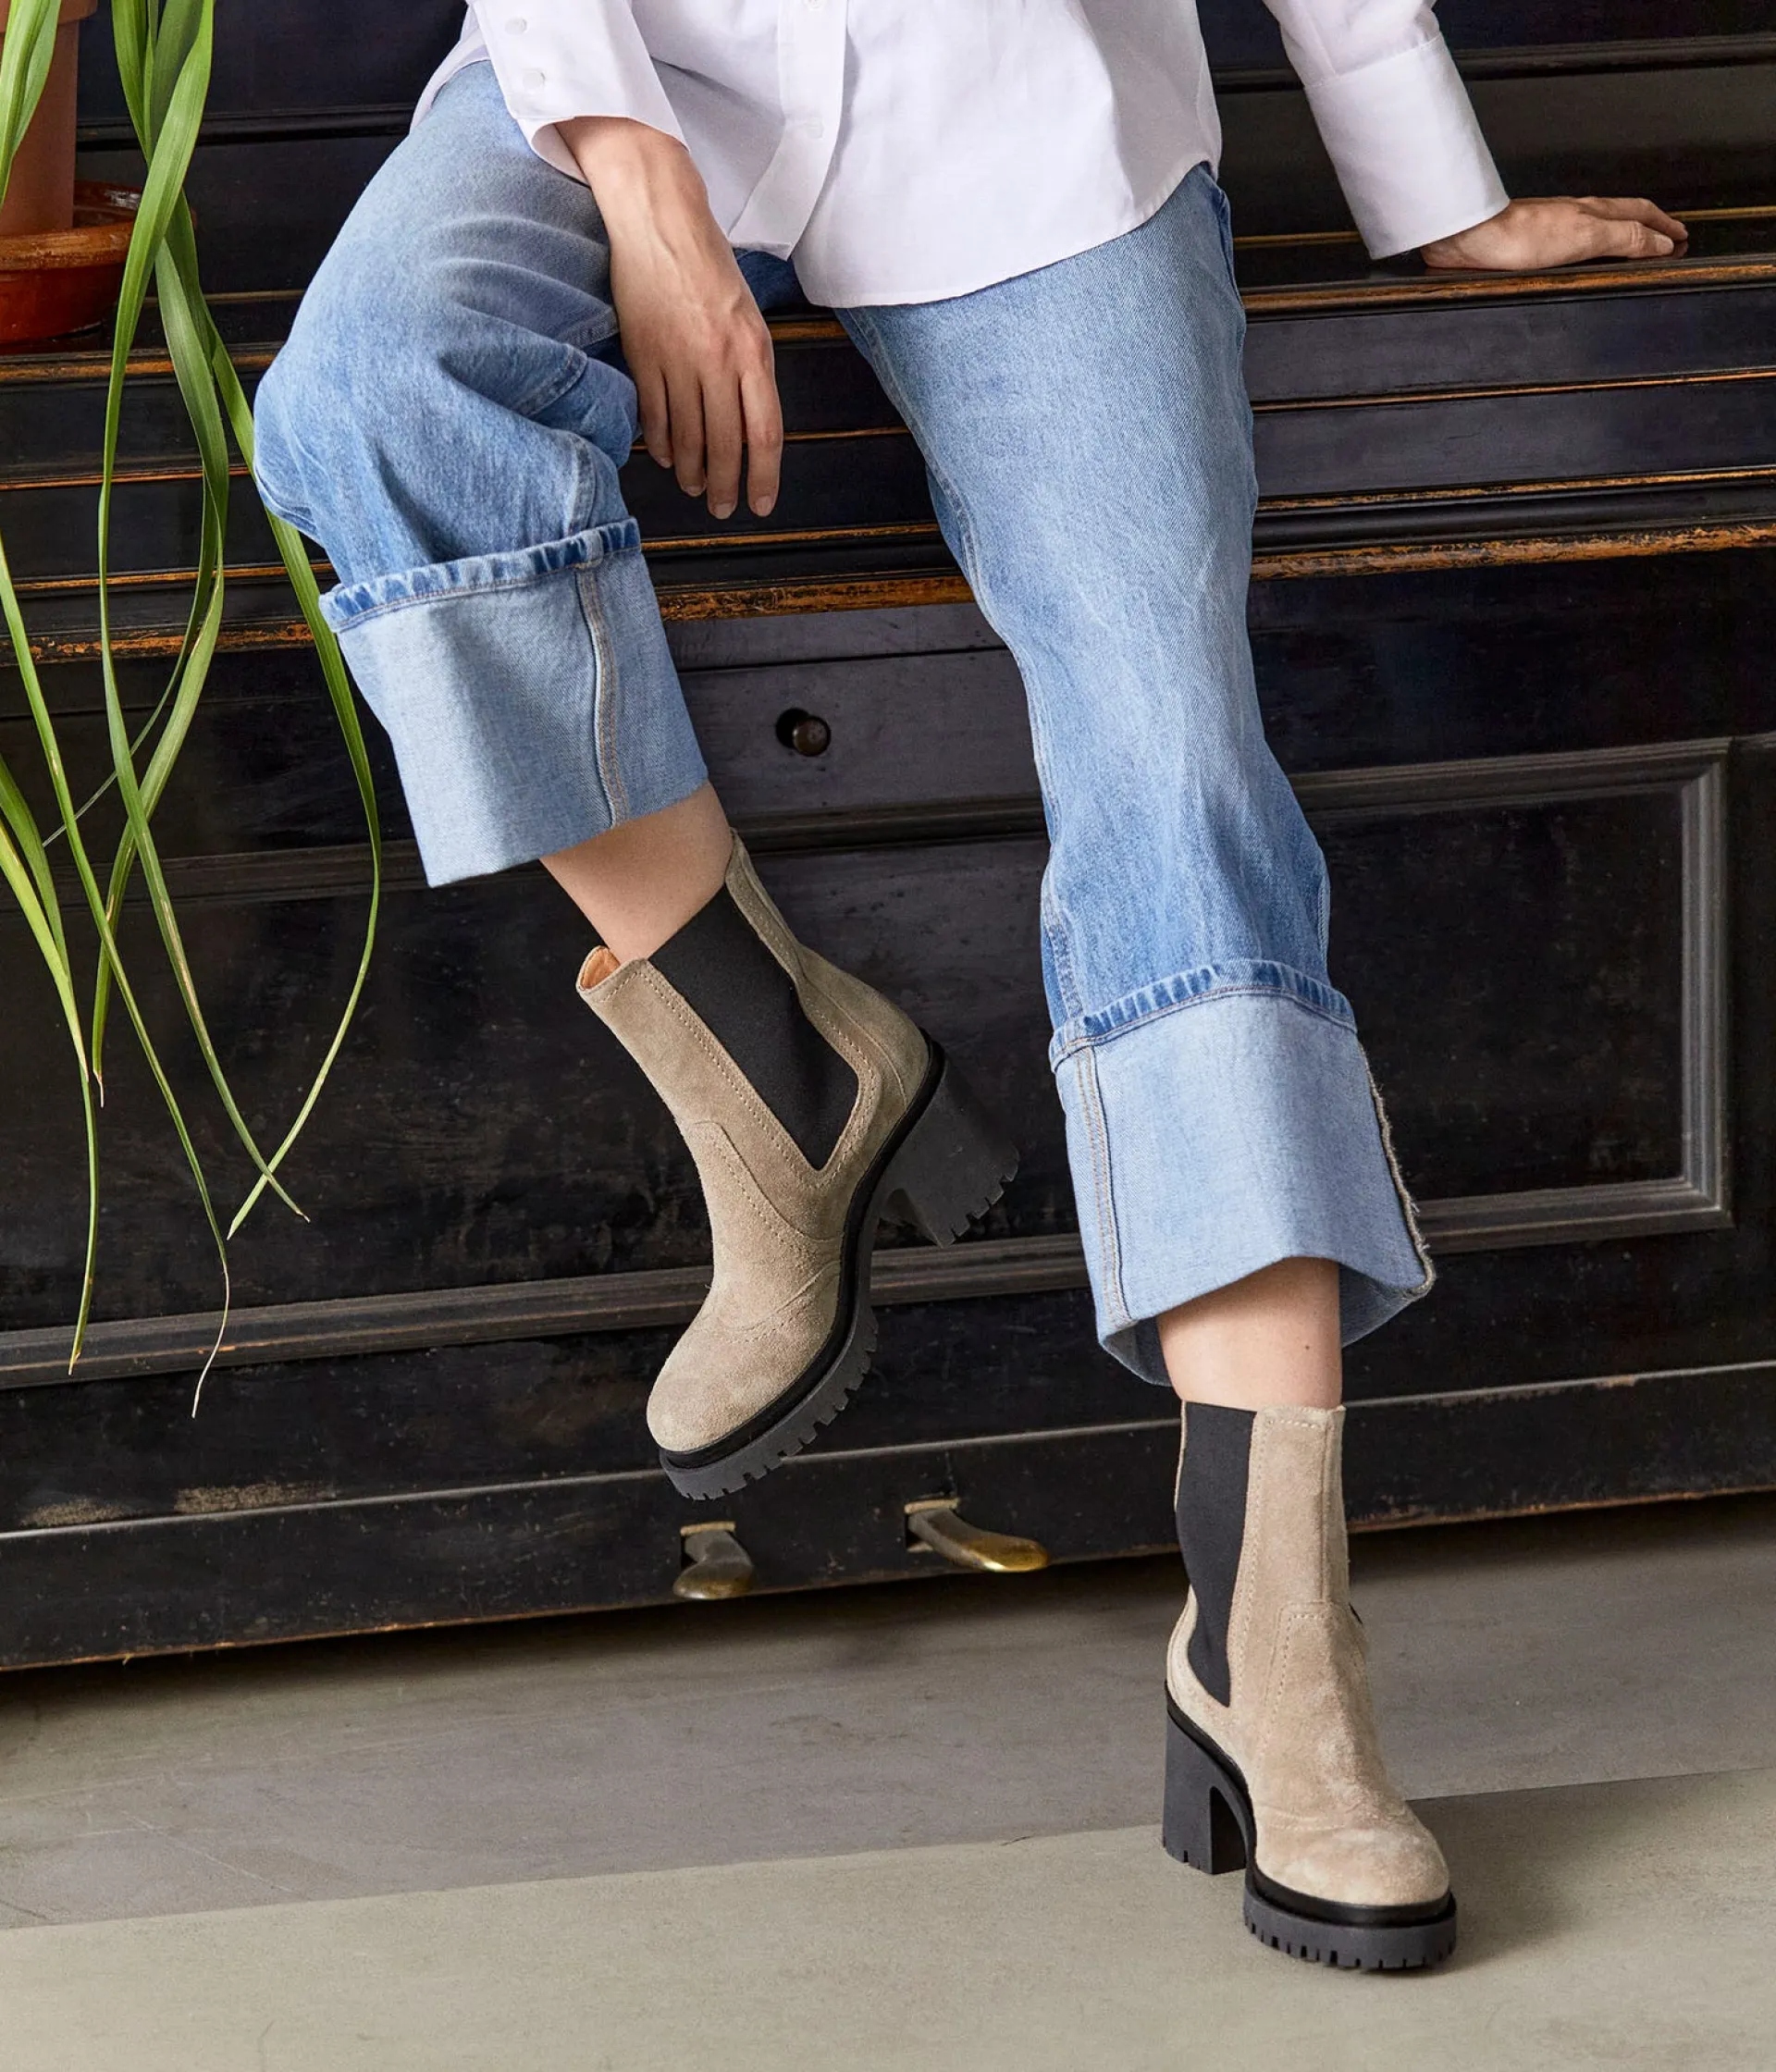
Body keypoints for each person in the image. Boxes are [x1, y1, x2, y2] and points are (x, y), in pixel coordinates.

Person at [252, 2, 1684, 1971]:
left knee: (1176, 756)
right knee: (374, 392)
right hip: (627, 69)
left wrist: (1430, 182)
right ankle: (778, 1074)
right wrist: (634, 171)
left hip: (1036, 119)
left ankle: (1276, 1652)